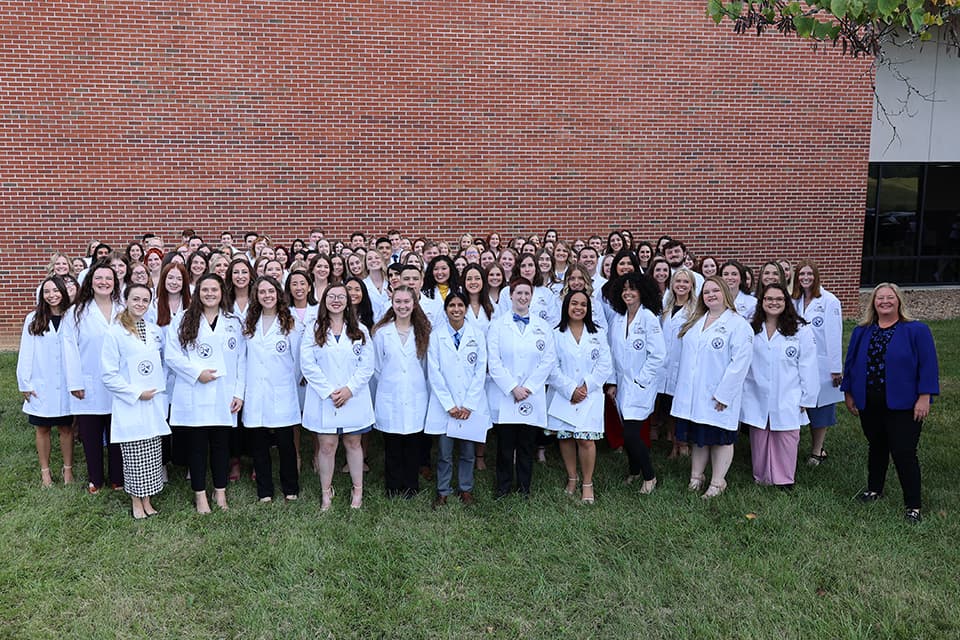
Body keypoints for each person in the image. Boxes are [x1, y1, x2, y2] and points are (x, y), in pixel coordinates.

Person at [841, 283, 939, 524]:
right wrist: (849, 392)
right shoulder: (862, 331)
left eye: (889, 297)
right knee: (876, 446)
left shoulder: (916, 330)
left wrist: (925, 396)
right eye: (879, 298)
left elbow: (928, 365)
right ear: (873, 302)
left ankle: (913, 505)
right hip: (870, 401)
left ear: (898, 301)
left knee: (904, 452)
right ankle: (875, 489)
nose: (884, 301)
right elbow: (851, 363)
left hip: (904, 403)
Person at [165, 274, 246, 513]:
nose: (210, 294)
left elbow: (242, 360)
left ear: (222, 293)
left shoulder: (234, 322)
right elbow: (171, 355)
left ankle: (219, 492)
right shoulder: (182, 319)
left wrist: (239, 393)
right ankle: (200, 495)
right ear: (198, 293)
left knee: (222, 445)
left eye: (215, 290)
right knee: (197, 446)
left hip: (224, 394)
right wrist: (196, 373)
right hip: (194, 392)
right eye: (205, 290)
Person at [671, 276, 753, 498]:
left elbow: (740, 363)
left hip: (719, 394)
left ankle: (718, 481)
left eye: (715, 290)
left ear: (725, 293)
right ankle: (696, 477)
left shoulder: (738, 325)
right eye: (706, 292)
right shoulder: (696, 321)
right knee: (699, 436)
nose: (711, 295)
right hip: (693, 393)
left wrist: (724, 395)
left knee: (720, 438)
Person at [301, 283, 374, 511]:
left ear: (348, 301)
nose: (336, 300)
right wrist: (329, 391)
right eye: (331, 296)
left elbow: (367, 365)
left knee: (353, 442)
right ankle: (326, 493)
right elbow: (307, 363)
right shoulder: (313, 329)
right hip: (325, 397)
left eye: (341, 297)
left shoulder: (359, 329)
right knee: (327, 445)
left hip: (353, 396)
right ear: (324, 301)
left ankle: (357, 491)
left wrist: (349, 389)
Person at [100, 284, 171, 518]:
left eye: (145, 300)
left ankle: (148, 500)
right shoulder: (115, 332)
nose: (140, 304)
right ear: (126, 300)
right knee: (133, 455)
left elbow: (160, 365)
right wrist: (136, 393)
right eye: (135, 299)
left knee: (151, 454)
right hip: (130, 402)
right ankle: (135, 502)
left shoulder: (153, 330)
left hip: (153, 401)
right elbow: (108, 375)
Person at [741, 283, 818, 489]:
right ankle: (762, 477)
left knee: (785, 437)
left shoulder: (800, 329)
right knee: (760, 437)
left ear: (786, 302)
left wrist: (807, 397)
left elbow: (808, 365)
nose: (773, 303)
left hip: (788, 393)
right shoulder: (750, 327)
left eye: (778, 299)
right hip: (755, 392)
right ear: (762, 302)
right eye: (768, 299)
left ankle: (784, 480)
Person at [486, 278, 557, 498]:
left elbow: (548, 359)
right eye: (519, 293)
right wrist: (512, 387)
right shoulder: (498, 325)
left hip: (531, 394)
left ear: (532, 297)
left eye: (527, 294)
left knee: (526, 445)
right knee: (505, 446)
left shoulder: (542, 327)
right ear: (511, 295)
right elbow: (493, 360)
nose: (523, 297)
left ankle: (524, 487)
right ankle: (503, 487)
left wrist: (528, 387)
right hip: (507, 394)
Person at [64, 261, 126, 494]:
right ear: (90, 282)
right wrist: (75, 382)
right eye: (98, 278)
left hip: (119, 383)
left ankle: (118, 478)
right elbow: (69, 350)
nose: (104, 282)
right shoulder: (77, 312)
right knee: (91, 435)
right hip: (88, 382)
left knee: (117, 433)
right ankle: (95, 478)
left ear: (115, 282)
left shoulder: (124, 309)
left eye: (108, 278)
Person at [547, 290, 613, 504]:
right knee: (566, 437)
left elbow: (605, 364)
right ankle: (572, 478)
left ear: (588, 308)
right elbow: (551, 366)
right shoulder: (555, 333)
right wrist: (569, 389)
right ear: (566, 306)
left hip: (589, 395)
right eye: (574, 303)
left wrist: (585, 386)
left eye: (583, 304)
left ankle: (587, 483)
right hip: (563, 394)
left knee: (585, 439)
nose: (578, 308)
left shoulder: (598, 333)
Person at [426, 292, 490, 507]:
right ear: (445, 310)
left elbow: (481, 370)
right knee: (444, 452)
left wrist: (469, 404)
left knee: (468, 452)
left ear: (466, 308)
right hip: (446, 406)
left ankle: (466, 489)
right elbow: (433, 372)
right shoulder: (436, 336)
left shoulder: (477, 334)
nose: (456, 309)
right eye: (451, 305)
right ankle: (443, 490)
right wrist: (449, 405)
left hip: (470, 405)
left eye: (460, 305)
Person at [241, 276, 301, 503]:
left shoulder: (290, 322)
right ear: (256, 296)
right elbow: (244, 358)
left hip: (282, 390)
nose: (267, 296)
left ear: (278, 294)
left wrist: (286, 382)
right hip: (256, 391)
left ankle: (290, 487)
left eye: (271, 291)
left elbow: (297, 362)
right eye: (262, 292)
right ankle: (264, 490)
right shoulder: (249, 322)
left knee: (286, 444)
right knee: (259, 445)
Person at [606, 273, 665, 494]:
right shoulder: (618, 319)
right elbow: (612, 354)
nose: (628, 293)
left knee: (631, 434)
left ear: (643, 292)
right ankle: (633, 471)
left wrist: (642, 379)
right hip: (622, 385)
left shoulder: (648, 318)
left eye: (633, 289)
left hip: (641, 385)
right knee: (626, 432)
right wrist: (612, 382)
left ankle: (650, 476)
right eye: (624, 289)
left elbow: (658, 354)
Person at [372, 285, 432, 498]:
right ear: (392, 303)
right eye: (398, 302)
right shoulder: (382, 333)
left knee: (413, 444)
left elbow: (426, 367)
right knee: (393, 445)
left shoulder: (423, 331)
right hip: (391, 393)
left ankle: (410, 486)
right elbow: (377, 367)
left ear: (414, 304)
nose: (402, 306)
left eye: (407, 302)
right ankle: (393, 486)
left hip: (415, 394)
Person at [17, 276, 75, 487]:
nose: (52, 295)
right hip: (41, 383)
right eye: (47, 292)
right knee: (42, 429)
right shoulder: (33, 318)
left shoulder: (72, 317)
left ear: (63, 292)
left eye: (56, 291)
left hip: (67, 383)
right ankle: (45, 472)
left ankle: (68, 470)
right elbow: (26, 352)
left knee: (66, 428)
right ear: (42, 295)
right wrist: (25, 382)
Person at [792, 260, 843, 466]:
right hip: (797, 361)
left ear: (816, 276)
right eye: (802, 274)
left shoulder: (829, 301)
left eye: (809, 274)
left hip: (821, 364)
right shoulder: (794, 300)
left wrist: (835, 368)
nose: (805, 278)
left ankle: (816, 450)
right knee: (799, 404)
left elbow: (833, 335)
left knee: (821, 407)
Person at [658, 267, 697, 458]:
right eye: (678, 281)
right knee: (669, 408)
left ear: (691, 286)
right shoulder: (665, 309)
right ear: (672, 285)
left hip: (683, 366)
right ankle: (674, 444)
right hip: (665, 367)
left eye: (685, 282)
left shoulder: (696, 311)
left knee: (682, 407)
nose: (681, 285)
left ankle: (684, 444)